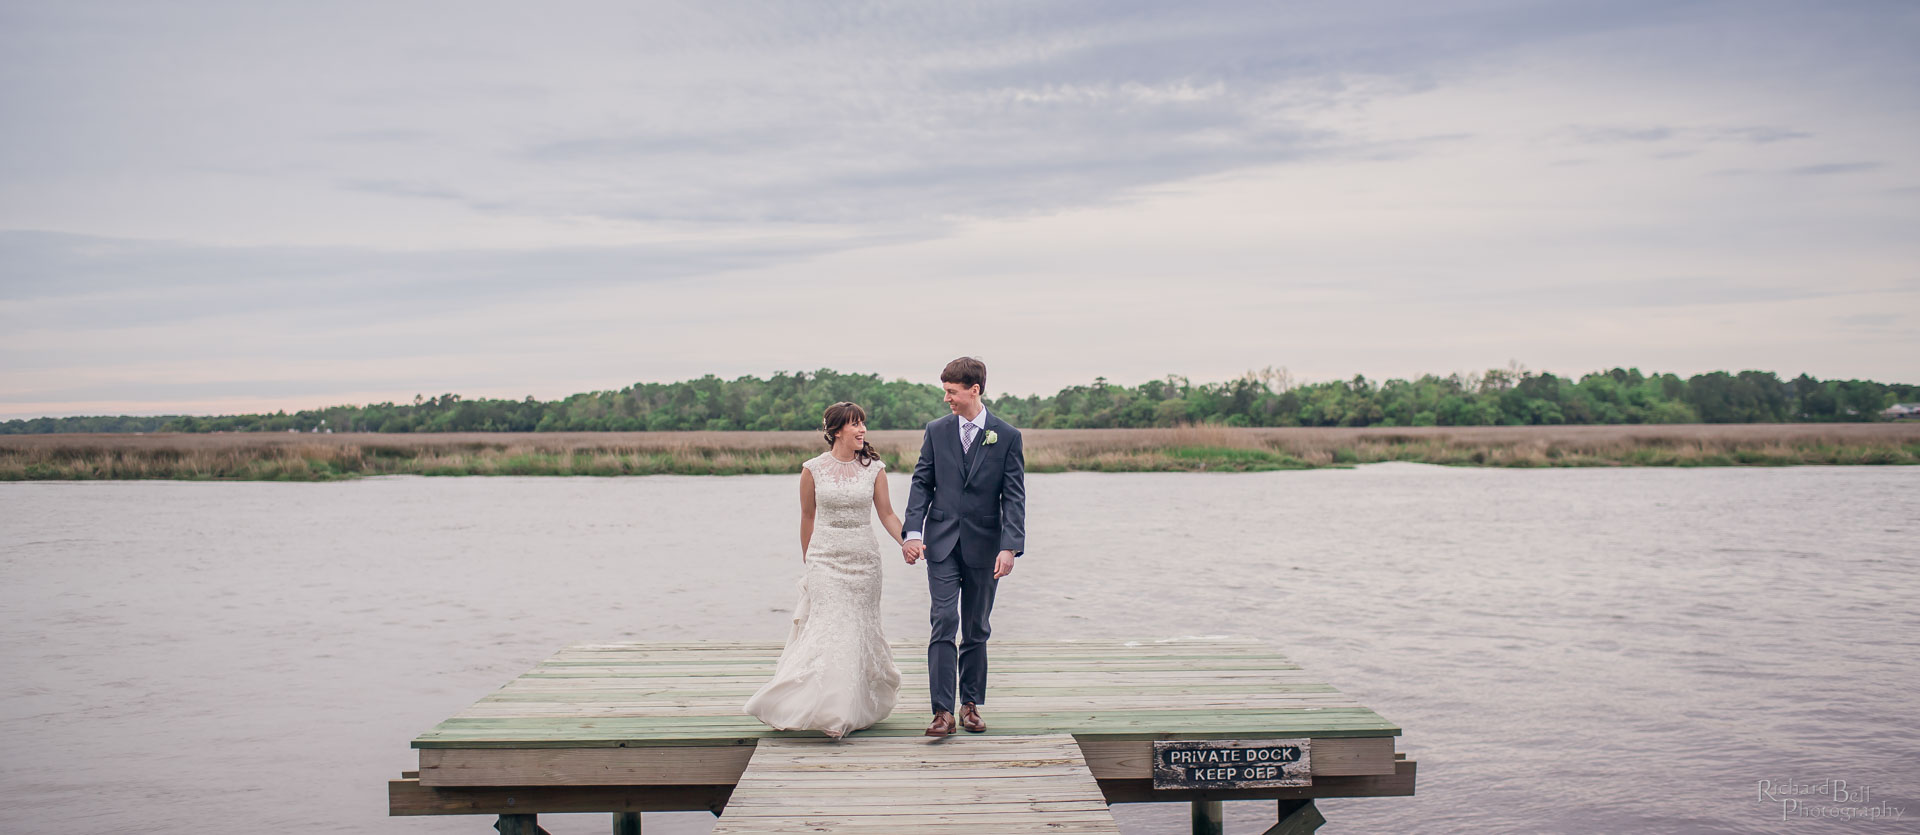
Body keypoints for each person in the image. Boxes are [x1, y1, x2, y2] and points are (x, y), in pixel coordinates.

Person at [743, 402, 905, 738]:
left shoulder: (874, 468)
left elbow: (887, 514)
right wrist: (810, 560)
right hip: (825, 561)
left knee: (858, 631)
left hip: (864, 562)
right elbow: (807, 517)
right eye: (854, 424)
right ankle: (817, 708)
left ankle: (850, 706)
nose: (862, 430)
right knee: (830, 629)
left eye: (863, 423)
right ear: (836, 431)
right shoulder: (812, 469)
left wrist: (907, 541)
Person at [902, 357, 1026, 736]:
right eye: (945, 391)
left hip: (986, 546)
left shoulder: (1006, 436)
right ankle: (942, 712)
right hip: (939, 543)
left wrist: (1010, 546)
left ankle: (970, 704)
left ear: (974, 389)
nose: (946, 399)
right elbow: (922, 482)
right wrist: (912, 532)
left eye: (952, 392)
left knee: (975, 627)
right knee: (944, 620)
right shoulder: (936, 431)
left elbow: (1014, 496)